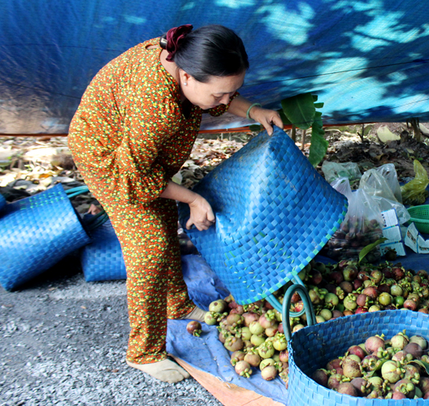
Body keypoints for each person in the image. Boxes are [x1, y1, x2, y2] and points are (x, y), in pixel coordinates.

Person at [68, 24, 283, 383]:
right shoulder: (156, 106)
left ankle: (177, 304)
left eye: (233, 93)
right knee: (148, 248)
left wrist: (253, 111)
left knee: (163, 221)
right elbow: (135, 178)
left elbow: (217, 91)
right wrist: (193, 199)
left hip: (137, 151)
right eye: (219, 96)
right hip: (107, 157)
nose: (225, 102)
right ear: (186, 76)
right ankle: (143, 351)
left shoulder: (182, 54)